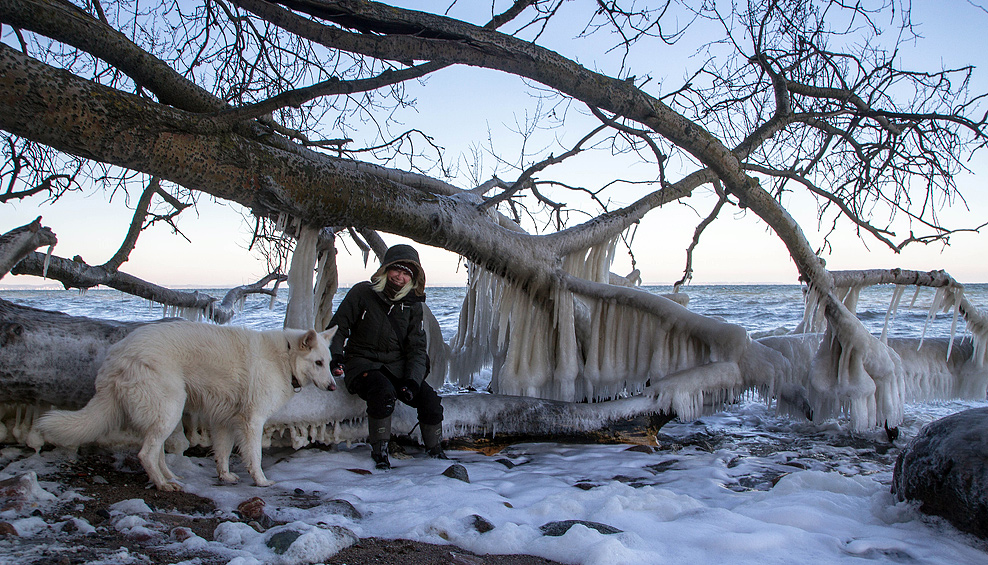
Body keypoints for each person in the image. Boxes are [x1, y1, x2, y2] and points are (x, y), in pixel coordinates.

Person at [327, 244, 446, 469]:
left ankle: (435, 453)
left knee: (430, 400)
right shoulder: (362, 293)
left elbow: (417, 348)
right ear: (386, 269)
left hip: (397, 366)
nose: (400, 277)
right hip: (362, 361)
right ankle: (380, 453)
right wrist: (335, 357)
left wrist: (412, 380)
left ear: (413, 277)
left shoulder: (413, 305)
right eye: (396, 270)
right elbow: (337, 328)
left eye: (406, 273)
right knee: (383, 393)